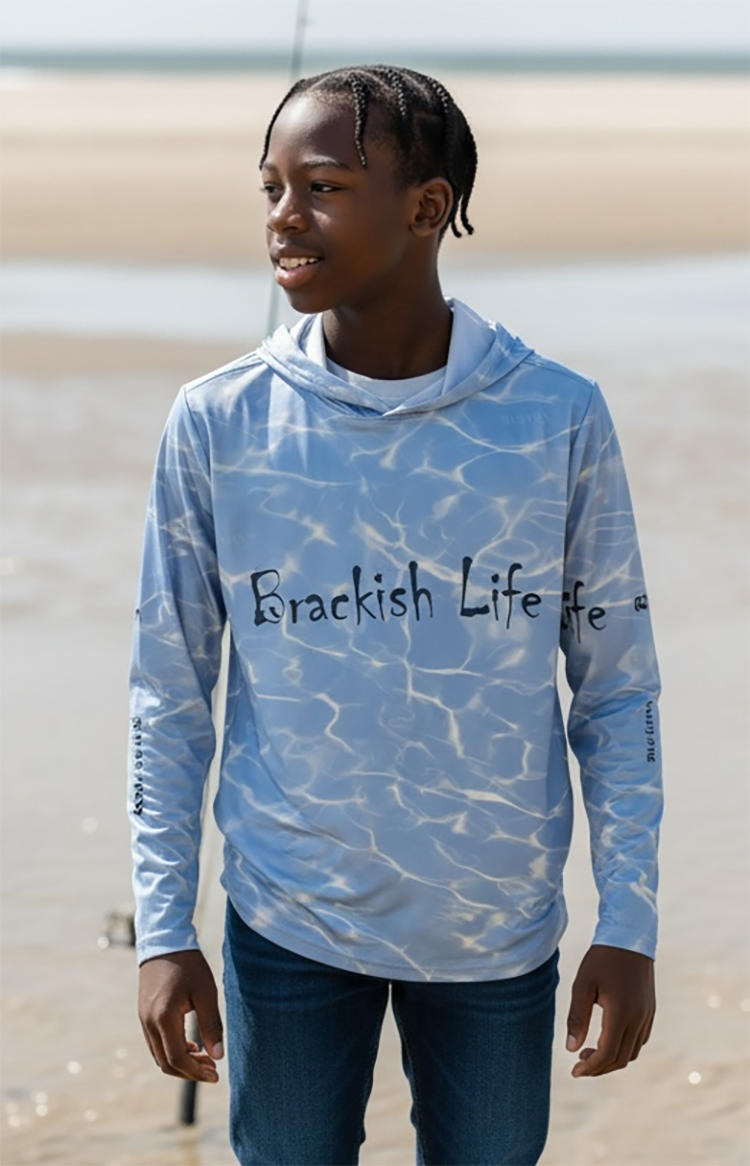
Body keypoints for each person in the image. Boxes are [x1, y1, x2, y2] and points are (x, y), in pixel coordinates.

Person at [130, 65, 663, 1166]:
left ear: (426, 209)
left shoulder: (556, 415)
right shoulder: (220, 423)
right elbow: (169, 693)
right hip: (286, 922)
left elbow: (616, 687)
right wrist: (165, 925)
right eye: (270, 186)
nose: (283, 215)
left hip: (497, 931)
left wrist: (630, 916)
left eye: (320, 185)